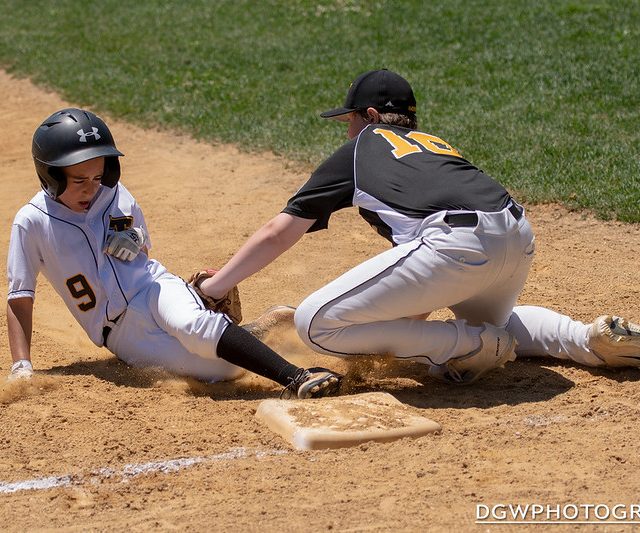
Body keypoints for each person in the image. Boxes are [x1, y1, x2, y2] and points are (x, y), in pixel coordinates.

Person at [197, 69, 640, 383]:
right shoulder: (433, 145)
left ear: (369, 117)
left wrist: (217, 286)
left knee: (316, 323)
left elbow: (281, 230)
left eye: (348, 119)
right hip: (515, 236)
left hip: (457, 246)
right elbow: (417, 297)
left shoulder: (362, 146)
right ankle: (589, 339)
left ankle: (472, 347)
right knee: (490, 325)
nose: (344, 130)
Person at [6, 108, 342, 399]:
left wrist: (135, 240)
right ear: (50, 176)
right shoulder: (31, 223)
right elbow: (20, 297)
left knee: (194, 326)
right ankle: (255, 331)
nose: (92, 187)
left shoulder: (112, 193)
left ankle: (296, 377)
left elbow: (144, 249)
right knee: (220, 370)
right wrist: (22, 366)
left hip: (154, 288)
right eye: (79, 180)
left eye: (97, 176)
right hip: (120, 334)